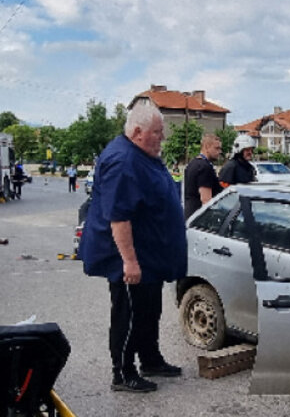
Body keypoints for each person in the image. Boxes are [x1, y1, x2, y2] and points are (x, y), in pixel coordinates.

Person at [80, 104, 187, 393]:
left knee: (150, 309)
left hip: (150, 254)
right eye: (157, 132)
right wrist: (129, 262)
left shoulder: (143, 154)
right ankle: (123, 372)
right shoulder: (123, 161)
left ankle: (150, 359)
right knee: (128, 314)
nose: (162, 138)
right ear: (138, 132)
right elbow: (119, 217)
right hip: (128, 258)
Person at [183, 133, 223, 218]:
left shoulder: (192, 164)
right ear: (207, 147)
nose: (220, 152)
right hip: (199, 218)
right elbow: (206, 200)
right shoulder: (205, 167)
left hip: (189, 214)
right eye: (217, 148)